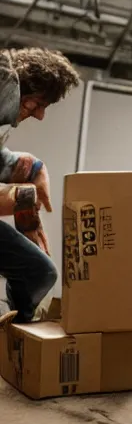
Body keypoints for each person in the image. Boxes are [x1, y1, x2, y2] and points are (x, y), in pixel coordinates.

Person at [0, 47, 80, 324]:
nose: (40, 115)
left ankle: (15, 344)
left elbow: (6, 162)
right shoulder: (6, 86)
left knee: (37, 270)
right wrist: (23, 197)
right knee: (37, 270)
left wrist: (34, 168)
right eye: (38, 103)